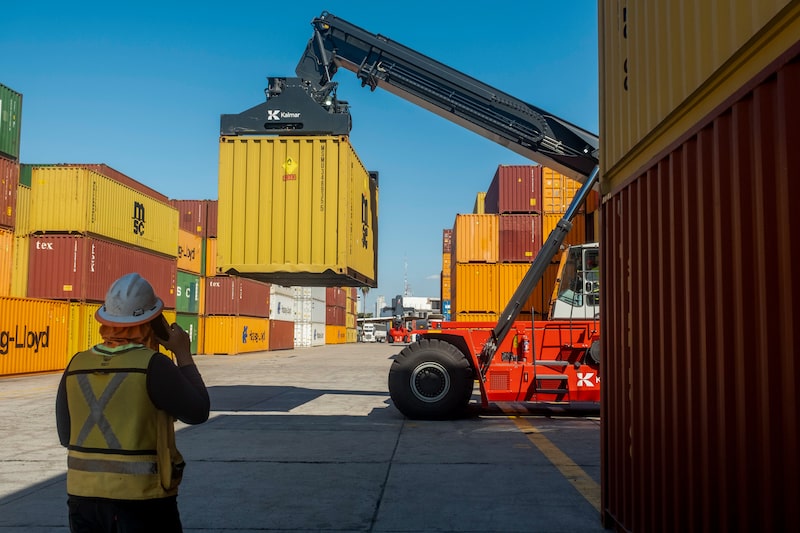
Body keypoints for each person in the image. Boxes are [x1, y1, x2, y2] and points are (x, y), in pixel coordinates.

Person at [55, 273, 210, 532]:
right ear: (151, 323)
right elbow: (198, 412)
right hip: (142, 501)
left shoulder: (77, 364)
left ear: (107, 321)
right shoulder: (153, 365)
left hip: (83, 500)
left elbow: (65, 434)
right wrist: (182, 353)